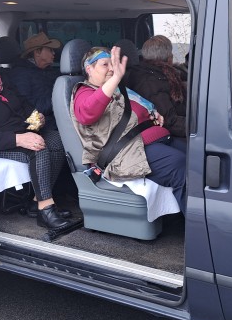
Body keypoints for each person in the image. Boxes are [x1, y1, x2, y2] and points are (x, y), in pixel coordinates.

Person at [71, 46, 187, 214]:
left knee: (198, 155)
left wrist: (153, 113)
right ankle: (197, 229)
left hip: (152, 139)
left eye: (113, 64)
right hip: (125, 152)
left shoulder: (118, 88)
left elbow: (140, 107)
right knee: (179, 164)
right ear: (89, 69)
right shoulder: (84, 91)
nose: (111, 68)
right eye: (105, 64)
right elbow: (87, 113)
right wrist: (115, 78)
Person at [0, 44, 72, 230]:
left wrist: (36, 116)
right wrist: (18, 139)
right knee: (38, 147)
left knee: (57, 141)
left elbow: (22, 102)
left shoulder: (2, 83)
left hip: (21, 131)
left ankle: (36, 202)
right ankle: (46, 209)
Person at [125, 35, 188, 143]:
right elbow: (170, 121)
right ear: (169, 57)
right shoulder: (150, 82)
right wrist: (199, 127)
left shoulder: (166, 74)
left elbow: (183, 71)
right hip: (169, 134)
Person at [10, 32, 62, 129]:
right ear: (37, 52)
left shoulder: (48, 71)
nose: (53, 53)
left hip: (56, 119)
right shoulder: (20, 75)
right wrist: (58, 98)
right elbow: (29, 108)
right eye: (50, 50)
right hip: (42, 126)